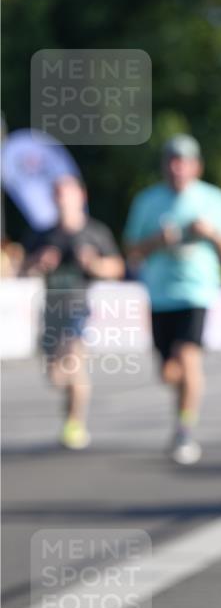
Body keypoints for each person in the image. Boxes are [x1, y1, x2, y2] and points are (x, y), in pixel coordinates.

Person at [124, 136, 221, 464]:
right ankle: (183, 408)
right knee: (168, 372)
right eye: (172, 161)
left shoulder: (213, 199)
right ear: (165, 166)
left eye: (185, 161)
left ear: (196, 166)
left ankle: (185, 430)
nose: (178, 167)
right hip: (160, 295)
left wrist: (212, 235)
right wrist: (155, 242)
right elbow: (131, 251)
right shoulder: (148, 201)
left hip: (198, 292)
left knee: (189, 358)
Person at [22, 175, 124, 449]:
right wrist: (38, 262)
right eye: (57, 194)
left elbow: (117, 267)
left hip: (79, 309)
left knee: (73, 363)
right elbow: (21, 268)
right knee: (56, 376)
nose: (61, 200)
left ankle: (75, 423)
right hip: (51, 311)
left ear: (81, 196)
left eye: (66, 194)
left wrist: (94, 264)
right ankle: (71, 414)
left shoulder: (94, 232)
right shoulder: (43, 234)